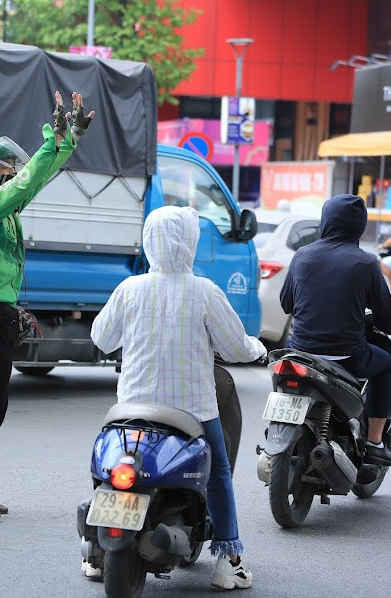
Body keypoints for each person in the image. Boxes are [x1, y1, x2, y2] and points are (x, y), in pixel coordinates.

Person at [90, 206, 265, 590]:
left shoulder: (129, 289)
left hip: (130, 410)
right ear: (189, 243)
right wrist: (257, 349)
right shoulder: (204, 291)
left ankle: (96, 550)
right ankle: (229, 560)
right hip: (192, 411)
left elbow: (102, 340)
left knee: (105, 469)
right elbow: (235, 347)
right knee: (218, 473)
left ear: (149, 241)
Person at [0, 90, 94, 521]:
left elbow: (38, 177)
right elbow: (27, 180)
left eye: (9, 169)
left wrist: (67, 142)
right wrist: (52, 140)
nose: (9, 173)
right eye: (2, 168)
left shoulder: (5, 211)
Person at [280, 194, 391, 467]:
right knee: (385, 365)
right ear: (359, 226)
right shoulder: (365, 263)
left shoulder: (302, 255)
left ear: (325, 220)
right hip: (346, 357)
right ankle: (375, 443)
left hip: (299, 352)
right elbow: (388, 322)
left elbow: (286, 303)